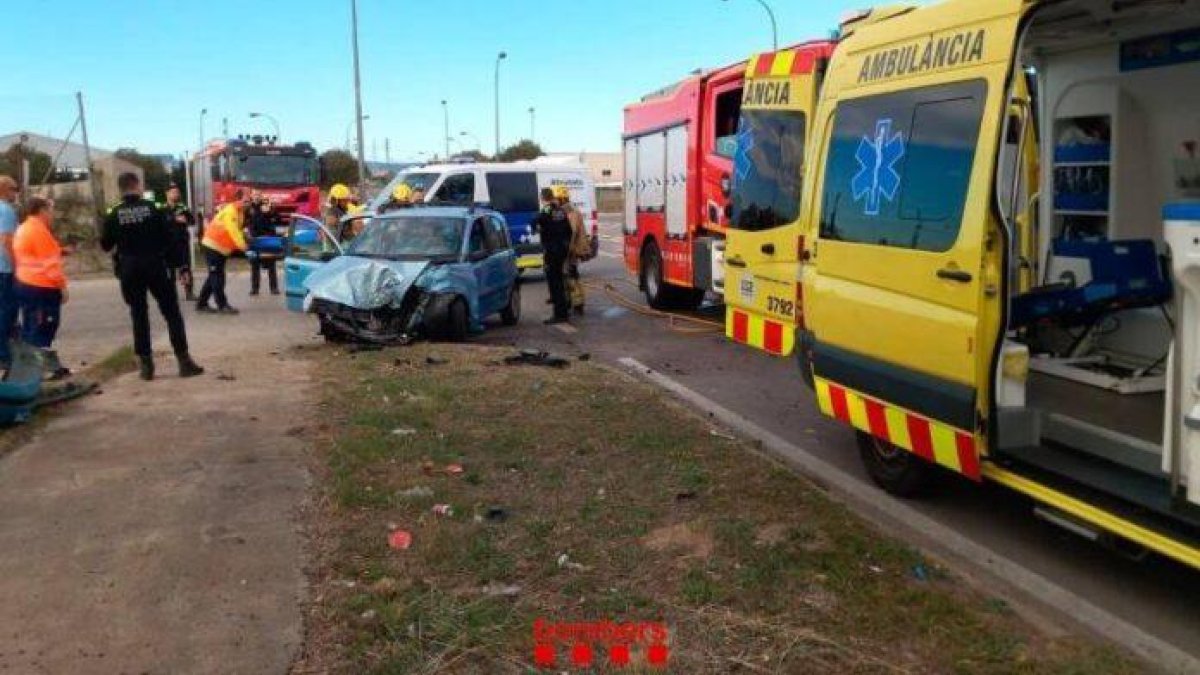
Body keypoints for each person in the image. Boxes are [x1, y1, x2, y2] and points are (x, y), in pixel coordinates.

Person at [101, 173, 204, 381]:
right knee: (172, 313)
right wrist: (182, 267)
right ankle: (184, 362)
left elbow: (105, 245)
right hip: (156, 266)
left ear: (121, 189)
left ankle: (146, 367)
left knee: (138, 315)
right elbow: (170, 239)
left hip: (129, 269)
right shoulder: (154, 208)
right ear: (138, 186)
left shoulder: (114, 213)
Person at [13, 196, 70, 379]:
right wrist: (62, 287)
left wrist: (59, 250)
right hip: (41, 286)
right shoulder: (39, 230)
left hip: (25, 283)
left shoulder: (24, 228)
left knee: (31, 328)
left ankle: (39, 368)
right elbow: (50, 264)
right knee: (44, 327)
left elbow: (33, 254)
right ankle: (40, 372)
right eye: (50, 209)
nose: (52, 214)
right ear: (42, 211)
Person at [196, 190, 248, 314]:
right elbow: (233, 231)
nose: (248, 204)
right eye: (246, 201)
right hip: (213, 246)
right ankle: (222, 305)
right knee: (218, 277)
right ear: (237, 200)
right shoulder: (231, 211)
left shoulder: (239, 211)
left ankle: (201, 304)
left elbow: (238, 230)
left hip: (220, 248)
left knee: (213, 276)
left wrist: (245, 239)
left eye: (249, 201)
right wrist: (242, 246)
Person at [532, 187, 572, 324]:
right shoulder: (561, 210)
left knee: (554, 283)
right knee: (560, 281)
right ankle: (564, 310)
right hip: (562, 250)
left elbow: (534, 221)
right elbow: (569, 230)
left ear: (542, 198)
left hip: (552, 251)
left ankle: (559, 315)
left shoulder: (546, 210)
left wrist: (537, 229)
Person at [557, 185, 591, 316]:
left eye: (557, 199)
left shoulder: (571, 212)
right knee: (570, 276)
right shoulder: (567, 211)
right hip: (570, 250)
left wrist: (566, 250)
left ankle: (578, 304)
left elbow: (572, 232)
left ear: (561, 198)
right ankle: (574, 302)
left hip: (571, 251)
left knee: (572, 276)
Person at [162, 183, 196, 301]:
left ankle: (189, 292)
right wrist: (174, 219)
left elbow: (192, 221)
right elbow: (159, 223)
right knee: (169, 270)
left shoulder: (183, 207)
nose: (176, 194)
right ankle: (171, 294)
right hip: (167, 244)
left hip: (181, 243)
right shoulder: (162, 208)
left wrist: (186, 219)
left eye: (177, 192)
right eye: (173, 192)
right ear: (167, 193)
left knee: (185, 268)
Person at [0, 176, 20, 373]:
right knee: (7, 313)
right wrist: (17, 267)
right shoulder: (6, 210)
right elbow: (6, 241)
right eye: (14, 189)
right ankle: (5, 356)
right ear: (5, 190)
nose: (17, 192)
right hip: (5, 269)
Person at [245, 194, 282, 295]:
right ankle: (254, 288)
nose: (257, 197)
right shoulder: (250, 208)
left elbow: (279, 220)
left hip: (268, 239)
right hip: (255, 240)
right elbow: (245, 221)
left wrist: (271, 211)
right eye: (255, 195)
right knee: (254, 265)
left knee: (271, 264)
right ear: (252, 197)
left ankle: (274, 288)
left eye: (258, 195)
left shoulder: (268, 206)